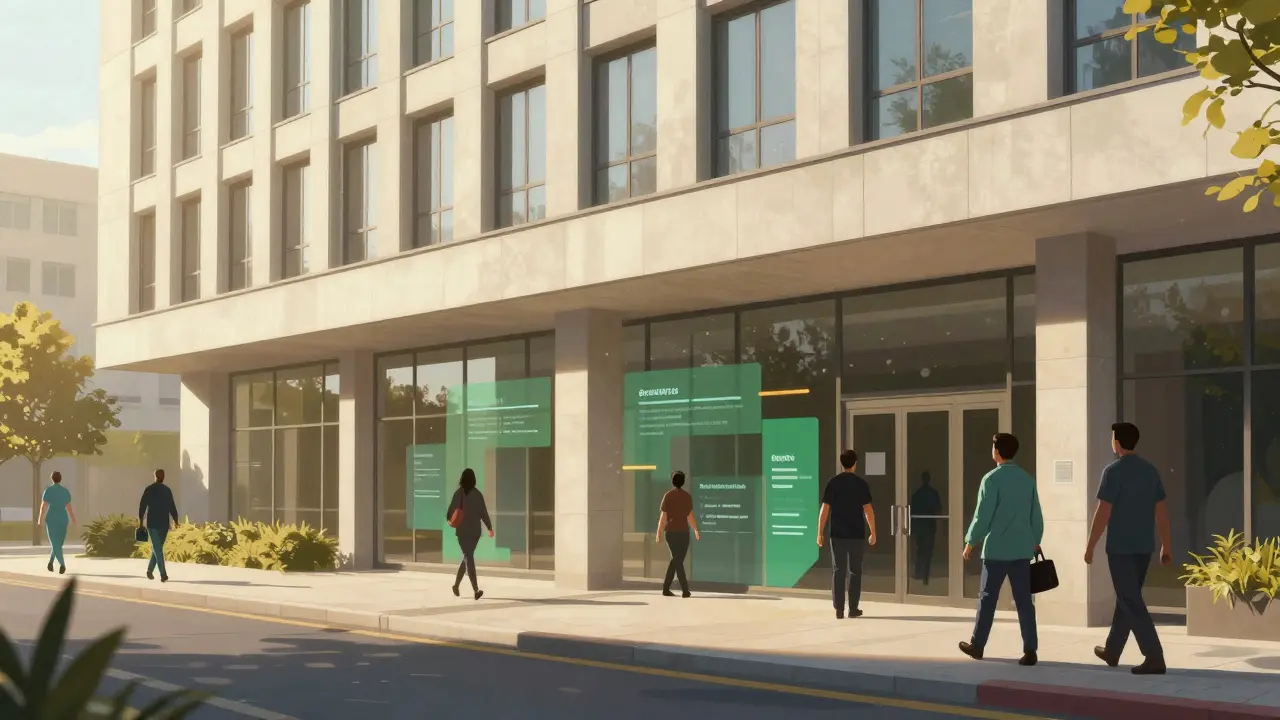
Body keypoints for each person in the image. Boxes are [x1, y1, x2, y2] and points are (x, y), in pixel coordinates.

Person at [1085, 422, 1171, 676]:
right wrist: (1167, 545)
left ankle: (1154, 656)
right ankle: (1112, 650)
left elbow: (1103, 513)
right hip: (1144, 548)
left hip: (1121, 549)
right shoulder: (1150, 471)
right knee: (1127, 597)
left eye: (1112, 438)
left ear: (1118, 442)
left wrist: (1090, 545)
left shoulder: (1113, 471)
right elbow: (1161, 512)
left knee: (1130, 599)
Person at [960, 433, 1043, 666]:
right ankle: (1030, 650)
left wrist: (970, 543)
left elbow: (982, 516)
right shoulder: (1027, 479)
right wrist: (1034, 540)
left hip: (996, 550)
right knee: (1024, 601)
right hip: (1022, 550)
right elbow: (1036, 516)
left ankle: (978, 645)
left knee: (987, 598)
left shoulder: (991, 479)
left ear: (997, 451)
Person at [817, 450, 876, 619]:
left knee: (838, 570)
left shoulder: (833, 483)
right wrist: (873, 531)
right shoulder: (861, 484)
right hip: (856, 534)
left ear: (842, 463)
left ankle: (839, 609)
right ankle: (853, 608)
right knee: (855, 571)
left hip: (837, 534)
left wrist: (819, 532)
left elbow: (825, 509)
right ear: (855, 463)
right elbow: (868, 510)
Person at [446, 468, 493, 600]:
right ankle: (476, 589)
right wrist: (489, 527)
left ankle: (456, 585)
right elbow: (483, 513)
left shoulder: (458, 494)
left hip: (462, 532)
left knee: (468, 557)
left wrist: (451, 520)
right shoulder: (478, 494)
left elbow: (449, 512)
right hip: (474, 532)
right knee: (469, 557)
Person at [656, 470, 700, 598]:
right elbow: (690, 516)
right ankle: (685, 590)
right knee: (678, 560)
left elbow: (663, 518)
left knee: (676, 560)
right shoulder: (687, 496)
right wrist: (696, 529)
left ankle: (665, 588)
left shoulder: (668, 496)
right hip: (683, 533)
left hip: (671, 532)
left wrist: (659, 533)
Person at [138, 468, 180, 582]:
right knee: (158, 549)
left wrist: (141, 521)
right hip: (162, 523)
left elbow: (142, 506)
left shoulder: (150, 489)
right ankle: (163, 574)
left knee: (157, 549)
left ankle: (149, 571)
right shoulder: (167, 490)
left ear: (155, 476)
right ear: (163, 477)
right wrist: (176, 520)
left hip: (154, 523)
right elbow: (172, 507)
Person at [38, 471, 77, 575]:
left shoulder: (48, 490)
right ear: (60, 479)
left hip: (51, 519)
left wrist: (40, 519)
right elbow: (69, 508)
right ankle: (54, 563)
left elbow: (43, 507)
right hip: (63, 518)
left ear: (52, 479)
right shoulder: (65, 491)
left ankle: (60, 564)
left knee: (56, 544)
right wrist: (73, 519)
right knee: (58, 544)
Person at [911, 471, 942, 584]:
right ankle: (925, 576)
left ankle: (918, 572)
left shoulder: (917, 494)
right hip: (929, 526)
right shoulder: (933, 493)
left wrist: (912, 528)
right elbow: (938, 509)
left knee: (920, 550)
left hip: (919, 526)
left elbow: (912, 512)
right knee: (928, 552)